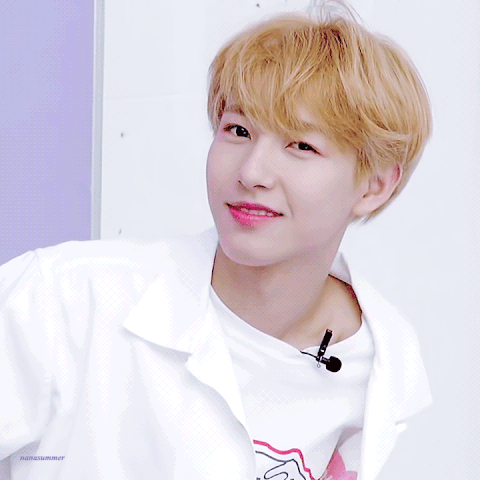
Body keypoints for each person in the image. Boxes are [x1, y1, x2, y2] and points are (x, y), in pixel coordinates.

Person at [0, 2, 432, 479]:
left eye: (301, 145)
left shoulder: (379, 365)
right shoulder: (61, 300)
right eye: (238, 130)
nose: (251, 172)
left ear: (374, 185)